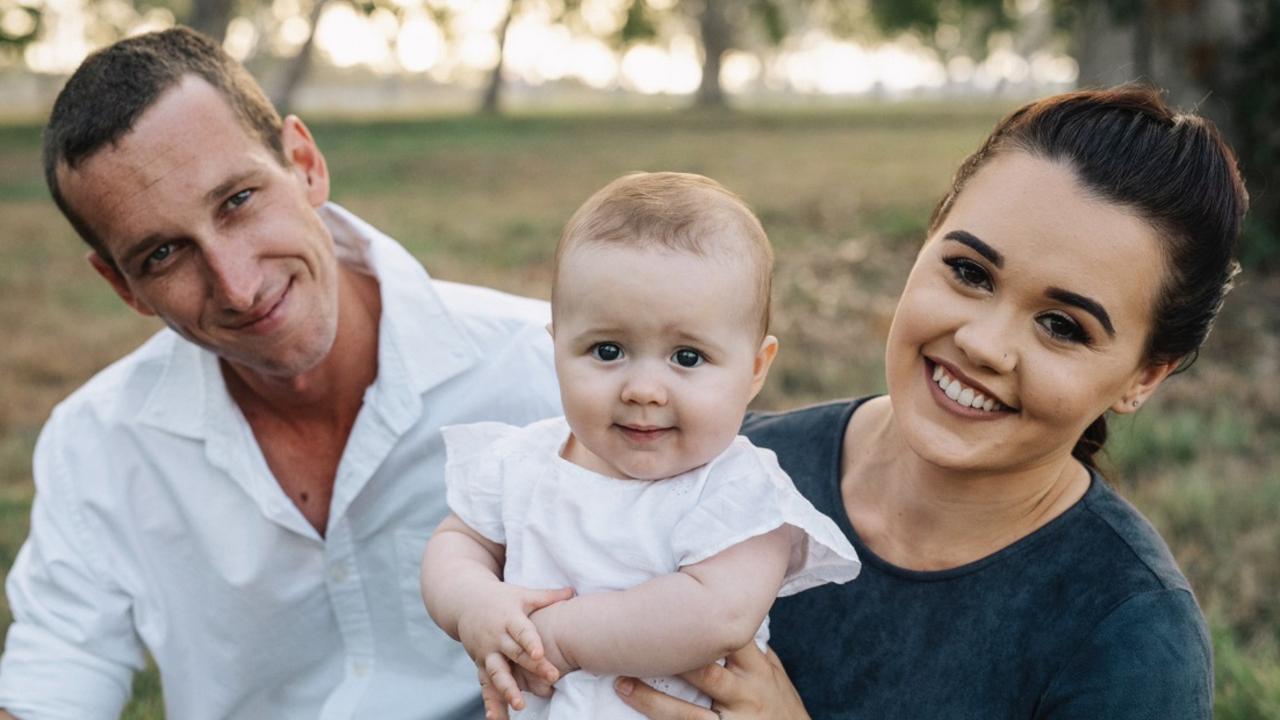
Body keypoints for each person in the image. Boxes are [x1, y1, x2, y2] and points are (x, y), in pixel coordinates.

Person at [613, 87, 1247, 719]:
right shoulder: (726, 463)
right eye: (970, 272)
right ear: (928, 238)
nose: (984, 345)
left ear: (1145, 377)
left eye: (1062, 325)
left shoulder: (1129, 637)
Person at [0, 27, 562, 719]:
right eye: (164, 254)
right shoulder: (97, 444)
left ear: (304, 163)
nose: (237, 287)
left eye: (237, 200)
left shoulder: (547, 371)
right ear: (123, 287)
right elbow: (55, 679)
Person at [420, 172, 861, 720]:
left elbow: (716, 613)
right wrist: (473, 603)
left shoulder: (737, 491)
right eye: (608, 350)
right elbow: (456, 542)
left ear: (754, 371)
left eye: (688, 357)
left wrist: (562, 639)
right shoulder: (524, 461)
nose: (643, 390)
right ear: (556, 346)